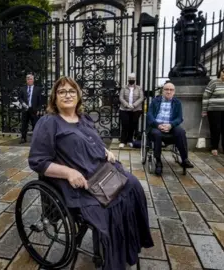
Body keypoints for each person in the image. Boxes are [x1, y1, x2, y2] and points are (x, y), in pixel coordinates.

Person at [28, 76, 154, 270]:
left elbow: (90, 141)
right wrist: (68, 172)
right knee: (111, 204)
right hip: (80, 184)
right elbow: (38, 161)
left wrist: (105, 151)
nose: (67, 95)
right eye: (62, 92)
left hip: (103, 172)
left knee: (133, 186)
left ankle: (129, 245)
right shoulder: (49, 123)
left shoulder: (84, 119)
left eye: (71, 91)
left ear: (78, 96)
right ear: (54, 98)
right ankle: (114, 256)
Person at [147, 82, 194, 175]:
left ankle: (185, 159)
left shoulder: (177, 102)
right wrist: (157, 125)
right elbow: (150, 115)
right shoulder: (155, 101)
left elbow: (179, 118)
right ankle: (158, 162)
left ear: (174, 92)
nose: (168, 92)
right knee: (157, 134)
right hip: (157, 125)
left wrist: (171, 125)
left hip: (170, 126)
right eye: (166, 89)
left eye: (171, 90)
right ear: (162, 91)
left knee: (180, 131)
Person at [201, 66, 224, 156]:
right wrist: (204, 110)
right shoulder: (213, 82)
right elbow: (206, 96)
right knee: (215, 129)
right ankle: (214, 147)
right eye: (223, 71)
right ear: (220, 72)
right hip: (214, 110)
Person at [119, 73, 144, 148]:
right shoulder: (124, 87)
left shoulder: (139, 88)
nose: (131, 80)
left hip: (136, 110)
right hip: (124, 109)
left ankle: (130, 140)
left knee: (132, 125)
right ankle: (123, 141)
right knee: (125, 125)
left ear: (135, 79)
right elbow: (121, 97)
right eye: (130, 79)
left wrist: (134, 105)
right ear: (128, 79)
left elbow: (141, 98)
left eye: (133, 79)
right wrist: (127, 105)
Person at [18, 74, 43, 144]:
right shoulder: (22, 89)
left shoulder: (37, 89)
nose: (29, 80)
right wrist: (22, 103)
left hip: (34, 109)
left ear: (33, 80)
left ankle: (36, 139)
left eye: (31, 79)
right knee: (24, 124)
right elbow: (20, 98)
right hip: (25, 109)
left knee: (35, 124)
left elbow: (40, 100)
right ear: (26, 80)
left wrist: (39, 109)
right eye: (28, 79)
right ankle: (23, 138)